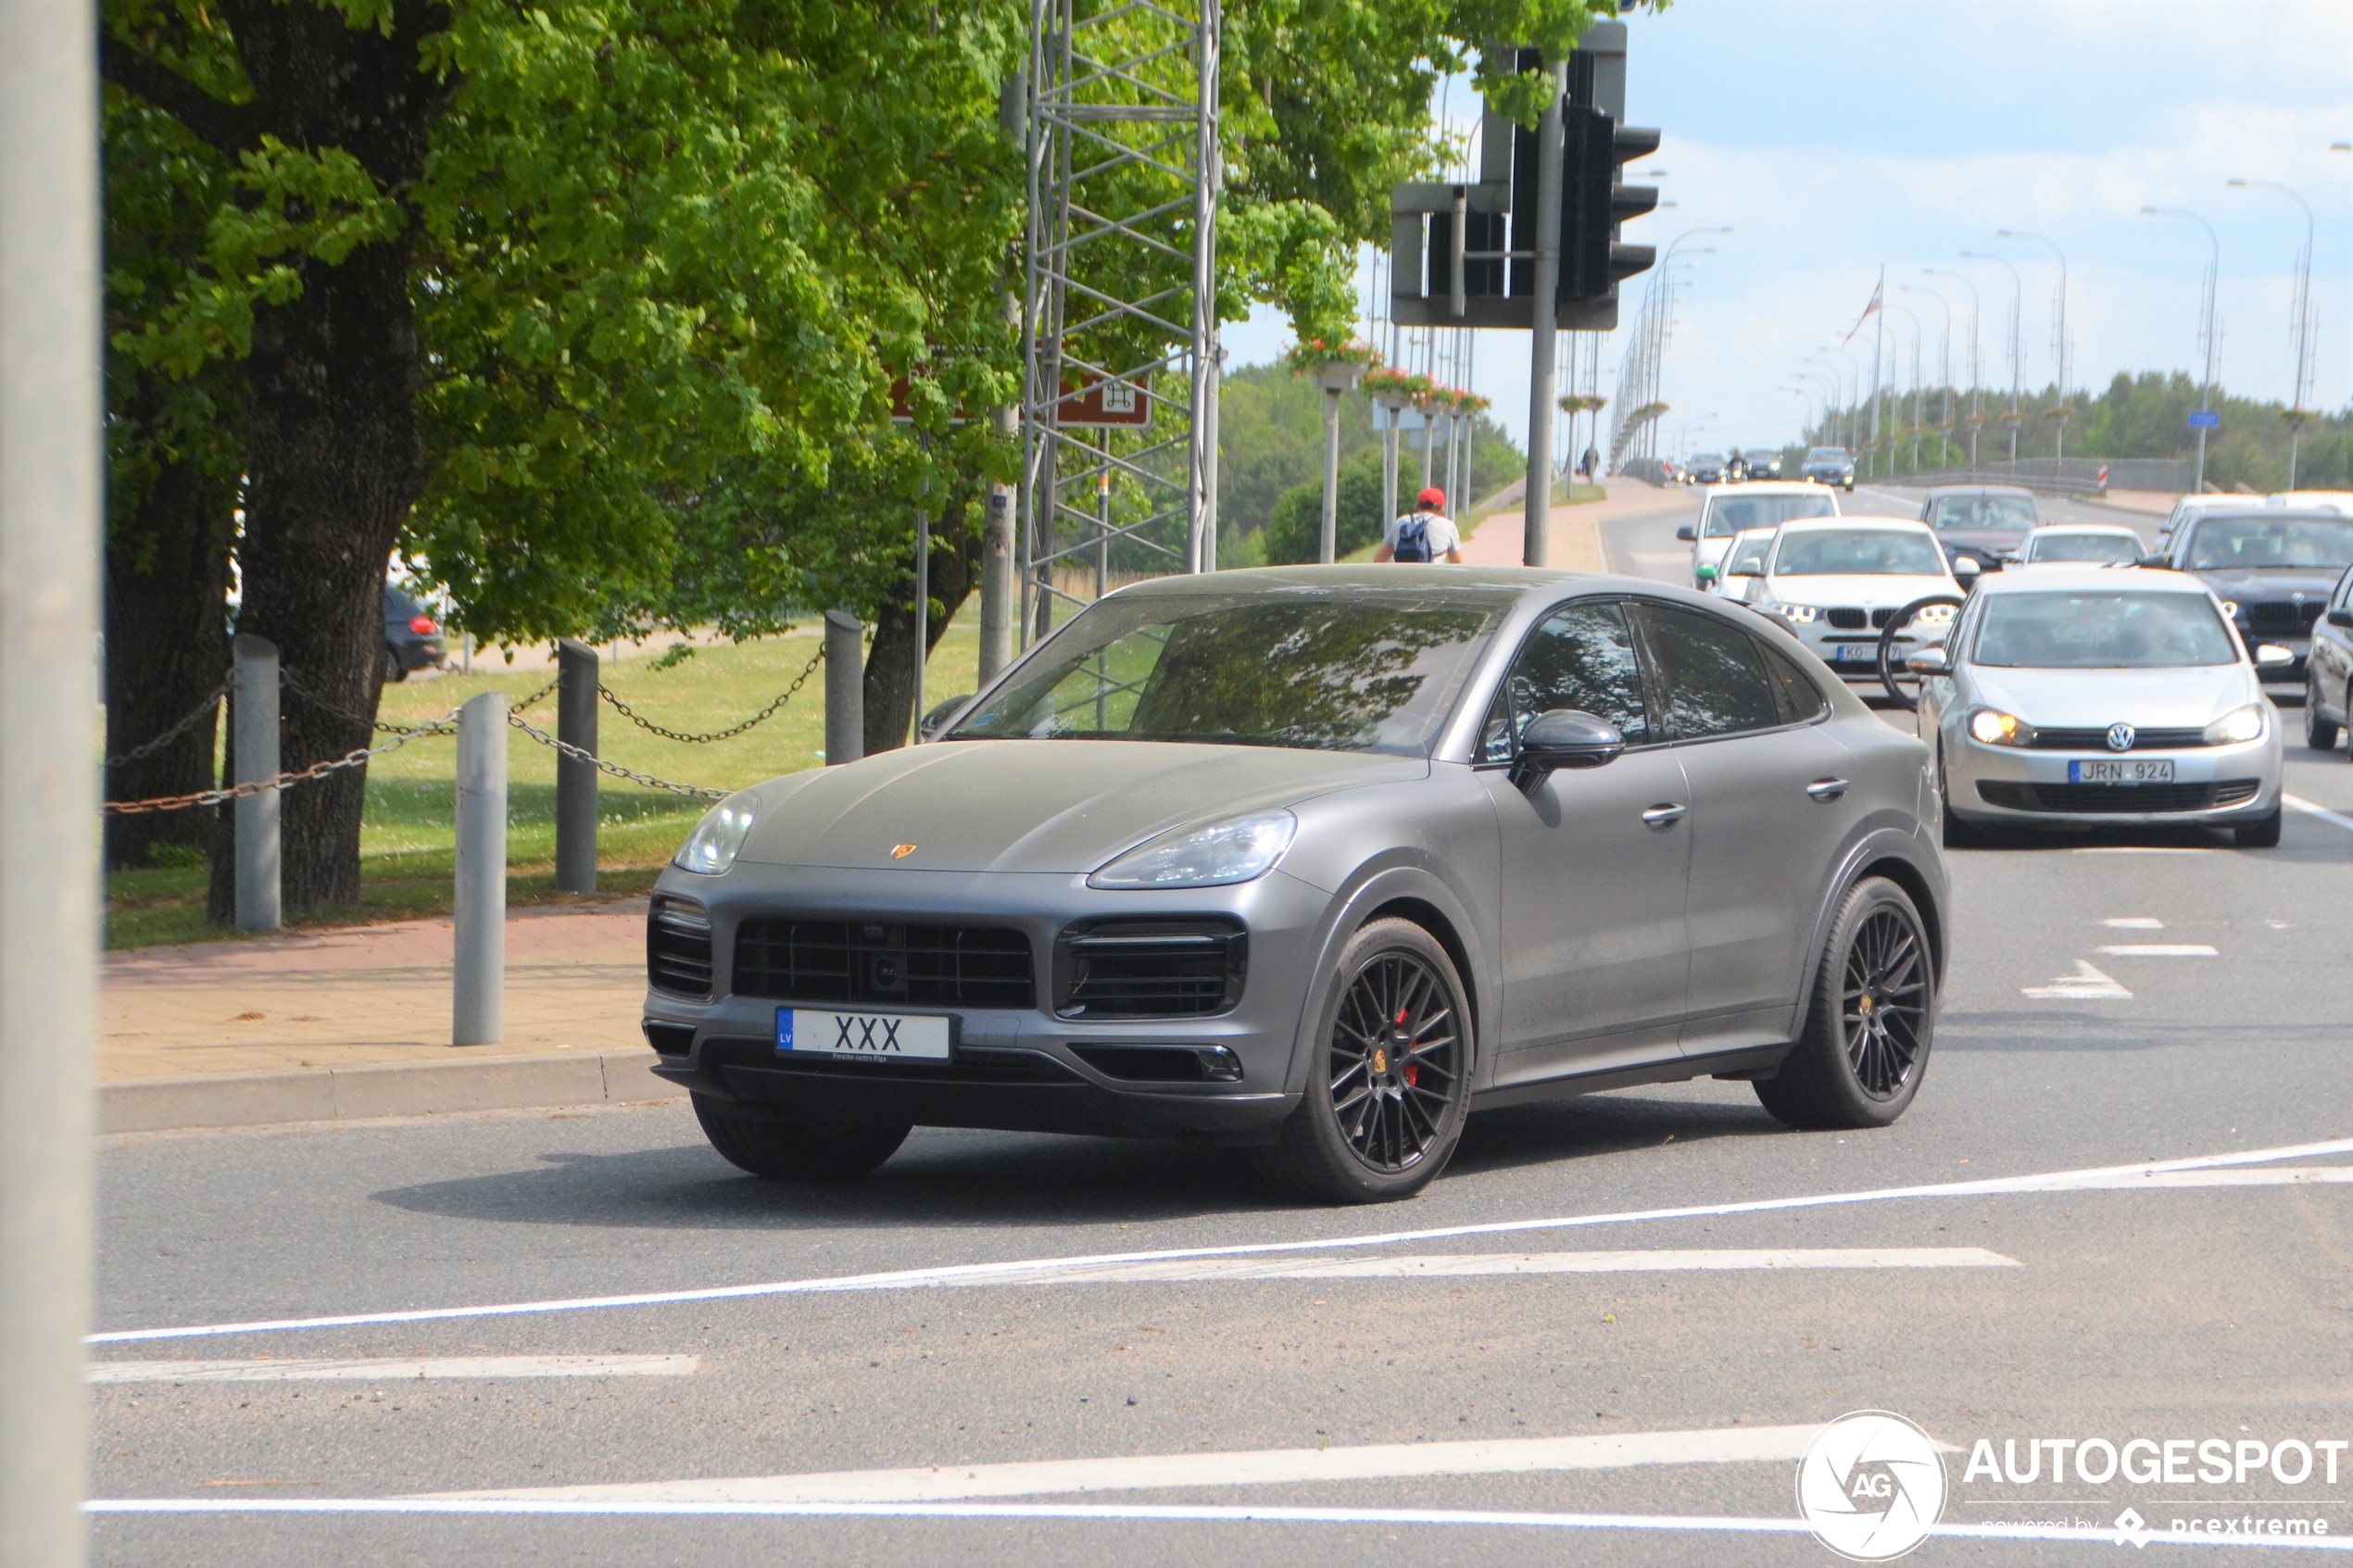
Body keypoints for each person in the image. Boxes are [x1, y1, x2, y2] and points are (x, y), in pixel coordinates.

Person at [1375, 486, 1465, 564]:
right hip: (1434, 579)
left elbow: (1378, 560)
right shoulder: (1448, 526)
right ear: (1441, 509)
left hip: (1405, 580)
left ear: (1418, 506)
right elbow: (1458, 564)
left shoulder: (1401, 522)